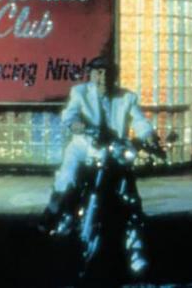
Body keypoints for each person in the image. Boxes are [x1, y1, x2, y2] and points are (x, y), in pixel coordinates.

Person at [41, 55, 158, 274]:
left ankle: (135, 249)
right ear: (91, 75)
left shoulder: (127, 97)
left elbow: (140, 121)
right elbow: (70, 114)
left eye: (107, 72)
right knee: (67, 181)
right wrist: (76, 124)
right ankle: (57, 216)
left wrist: (149, 136)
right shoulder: (80, 92)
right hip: (83, 148)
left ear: (115, 75)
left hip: (114, 152)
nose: (103, 77)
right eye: (98, 72)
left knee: (130, 198)